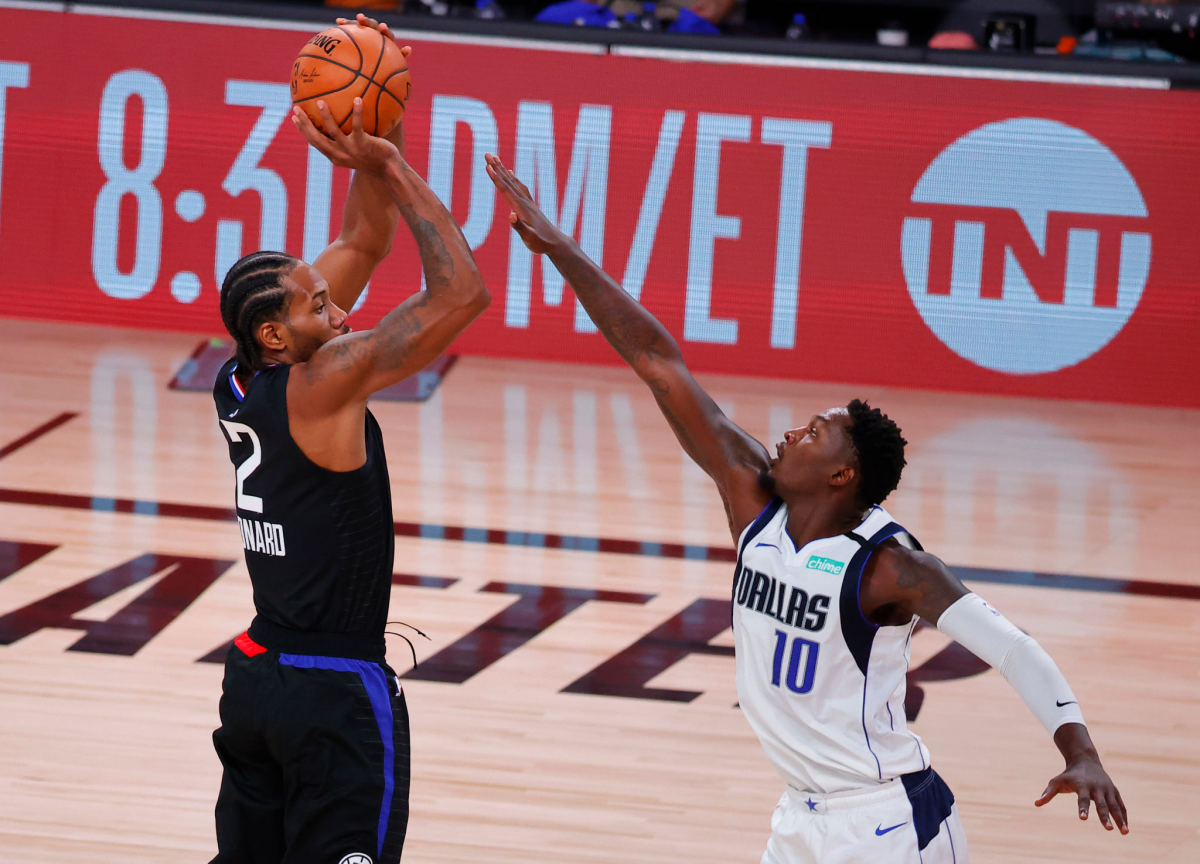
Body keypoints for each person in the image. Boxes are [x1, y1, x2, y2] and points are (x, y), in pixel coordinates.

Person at [484, 152, 1127, 863]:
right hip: (800, 815)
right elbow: (657, 361)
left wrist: (1082, 751)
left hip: (885, 819)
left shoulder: (893, 569)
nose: (791, 433)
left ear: (842, 475)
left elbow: (1014, 651)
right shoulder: (752, 500)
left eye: (813, 433)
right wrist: (564, 252)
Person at [209, 15, 489, 864]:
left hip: (257, 675)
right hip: (330, 694)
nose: (337, 306)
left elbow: (366, 240)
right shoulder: (323, 379)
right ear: (276, 337)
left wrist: (383, 112)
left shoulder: (241, 380)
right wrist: (393, 166)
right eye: (315, 304)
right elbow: (461, 294)